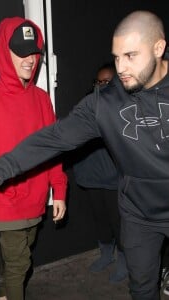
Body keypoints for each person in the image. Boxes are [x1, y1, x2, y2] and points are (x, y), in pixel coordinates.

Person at [0, 10, 169, 300]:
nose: (121, 67)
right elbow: (52, 140)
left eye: (130, 56)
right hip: (139, 213)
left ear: (158, 48)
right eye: (116, 57)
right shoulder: (105, 103)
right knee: (142, 289)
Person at [0, 17, 67, 300]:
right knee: (20, 262)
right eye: (21, 51)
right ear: (3, 53)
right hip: (2, 201)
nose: (30, 59)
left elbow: (54, 149)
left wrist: (59, 190)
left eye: (34, 51)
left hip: (34, 199)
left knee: (20, 257)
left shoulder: (42, 99)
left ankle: (9, 293)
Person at [73, 62, 127, 283]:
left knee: (119, 224)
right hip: (91, 177)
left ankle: (124, 263)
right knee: (101, 221)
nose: (101, 85)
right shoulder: (86, 105)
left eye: (107, 81)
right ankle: (106, 255)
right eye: (98, 81)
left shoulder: (124, 105)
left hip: (115, 180)